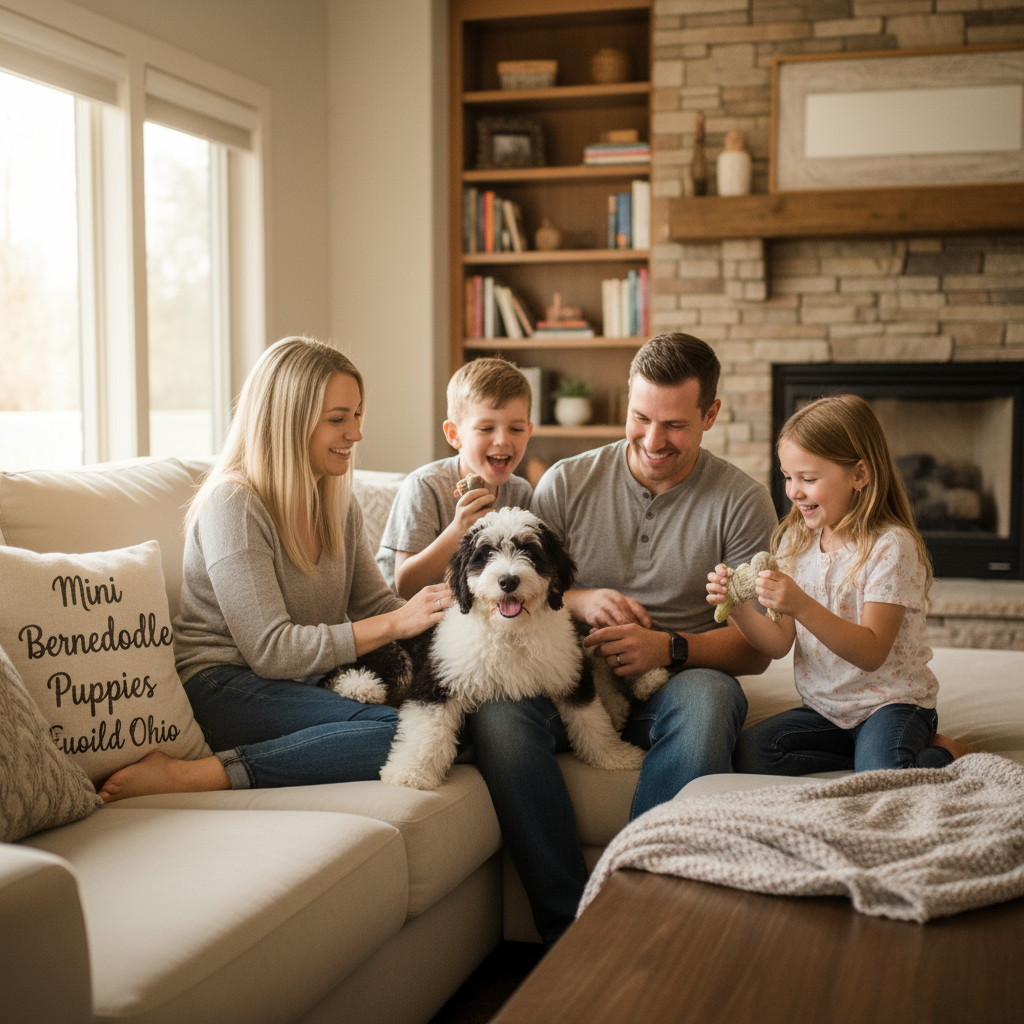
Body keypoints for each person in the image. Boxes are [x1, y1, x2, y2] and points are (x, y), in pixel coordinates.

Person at [465, 332, 779, 945]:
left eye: (675, 425)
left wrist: (669, 648)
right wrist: (578, 599)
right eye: (640, 418)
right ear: (626, 405)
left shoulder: (742, 503)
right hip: (566, 671)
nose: (654, 440)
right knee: (499, 720)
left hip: (679, 679)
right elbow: (511, 587)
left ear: (710, 415)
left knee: (710, 702)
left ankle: (642, 915)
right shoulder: (565, 482)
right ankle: (572, 933)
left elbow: (760, 650)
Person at [99, 336, 451, 802]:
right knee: (405, 737)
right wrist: (392, 623)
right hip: (222, 684)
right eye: (338, 419)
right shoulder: (235, 504)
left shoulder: (334, 500)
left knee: (443, 726)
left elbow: (374, 603)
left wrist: (456, 618)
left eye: (358, 414)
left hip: (300, 681)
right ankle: (197, 775)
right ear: (289, 422)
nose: (357, 434)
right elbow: (270, 650)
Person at [708, 393, 973, 775]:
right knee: (752, 752)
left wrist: (801, 604)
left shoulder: (890, 546)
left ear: (859, 475)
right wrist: (739, 608)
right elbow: (779, 643)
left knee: (881, 774)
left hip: (891, 705)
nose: (793, 491)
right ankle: (870, 755)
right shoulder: (795, 542)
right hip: (826, 711)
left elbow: (872, 651)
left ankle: (944, 751)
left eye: (808, 478)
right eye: (787, 477)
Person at [376, 357, 534, 597]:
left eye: (516, 429)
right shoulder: (425, 486)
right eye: (486, 428)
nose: (502, 440)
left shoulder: (522, 492)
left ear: (529, 432)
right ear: (454, 434)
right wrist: (458, 530)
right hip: (413, 618)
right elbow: (404, 586)